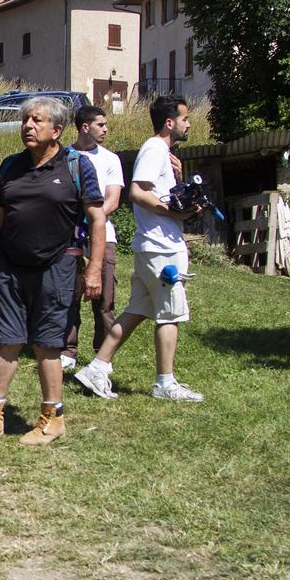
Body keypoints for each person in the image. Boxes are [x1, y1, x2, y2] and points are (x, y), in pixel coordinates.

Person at [0, 97, 104, 448]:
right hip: (9, 268)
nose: (28, 126)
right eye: (25, 120)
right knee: (6, 340)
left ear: (56, 130)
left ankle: (53, 418)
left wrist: (94, 271)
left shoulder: (77, 166)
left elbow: (97, 220)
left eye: (37, 120)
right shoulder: (11, 166)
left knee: (47, 344)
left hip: (56, 267)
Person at [74, 95, 204, 402]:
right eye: (185, 119)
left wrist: (180, 189)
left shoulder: (162, 152)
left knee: (137, 310)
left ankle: (96, 367)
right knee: (170, 313)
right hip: (161, 247)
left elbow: (157, 191)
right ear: (169, 123)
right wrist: (174, 213)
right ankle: (165, 383)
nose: (189, 124)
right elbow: (137, 192)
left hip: (156, 245)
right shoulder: (154, 148)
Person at [62, 105, 124, 371]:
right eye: (101, 124)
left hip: (103, 236)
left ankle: (103, 354)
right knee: (70, 294)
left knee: (104, 298)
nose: (106, 129)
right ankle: (67, 349)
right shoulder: (65, 157)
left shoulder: (111, 159)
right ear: (85, 127)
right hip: (71, 237)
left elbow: (113, 199)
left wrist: (90, 220)